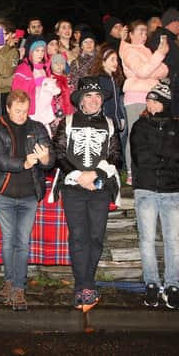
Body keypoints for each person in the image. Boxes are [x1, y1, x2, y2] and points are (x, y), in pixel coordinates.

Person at [54, 77, 121, 313]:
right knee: (79, 236)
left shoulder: (111, 124)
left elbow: (115, 156)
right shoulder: (68, 121)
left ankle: (85, 284)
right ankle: (83, 286)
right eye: (88, 96)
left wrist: (94, 174)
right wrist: (77, 175)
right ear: (80, 101)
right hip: (73, 186)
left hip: (100, 186)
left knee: (96, 236)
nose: (93, 100)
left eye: (97, 96)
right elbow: (59, 152)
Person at [0, 89, 55, 310]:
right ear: (7, 108)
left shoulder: (37, 128)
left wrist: (45, 158)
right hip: (5, 193)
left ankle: (18, 289)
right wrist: (22, 164)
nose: (21, 115)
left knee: (22, 242)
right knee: (8, 242)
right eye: (17, 111)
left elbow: (50, 158)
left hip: (28, 195)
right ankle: (9, 283)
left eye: (25, 111)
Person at [130, 79, 179, 310]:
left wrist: (159, 152)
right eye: (148, 99)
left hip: (171, 190)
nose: (149, 104)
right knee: (147, 240)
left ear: (164, 103)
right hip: (145, 188)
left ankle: (172, 284)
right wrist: (168, 154)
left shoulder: (178, 127)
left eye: (154, 100)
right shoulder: (140, 126)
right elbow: (141, 158)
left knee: (172, 241)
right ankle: (152, 283)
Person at [119, 20, 169, 184]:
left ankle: (148, 168)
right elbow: (142, 71)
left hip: (151, 96)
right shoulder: (129, 51)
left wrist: (152, 66)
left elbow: (164, 70)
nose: (143, 34)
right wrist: (159, 55)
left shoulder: (146, 51)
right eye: (139, 31)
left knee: (150, 135)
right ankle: (132, 171)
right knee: (135, 135)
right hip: (136, 96)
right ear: (131, 35)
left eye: (145, 31)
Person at [90, 47, 128, 168]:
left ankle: (115, 171)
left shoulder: (115, 80)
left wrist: (121, 117)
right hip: (104, 122)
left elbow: (117, 101)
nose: (116, 63)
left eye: (117, 60)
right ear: (103, 61)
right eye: (112, 60)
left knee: (114, 149)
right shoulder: (99, 80)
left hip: (115, 122)